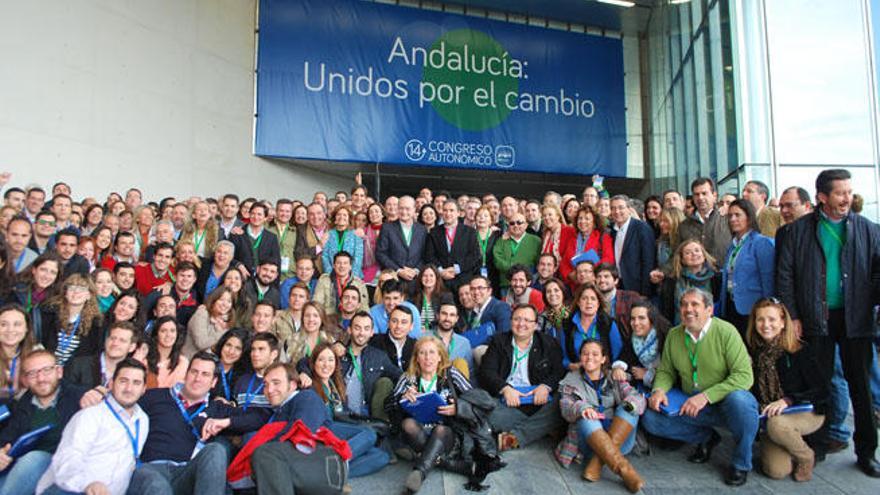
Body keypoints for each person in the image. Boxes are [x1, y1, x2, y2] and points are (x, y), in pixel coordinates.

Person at [776, 169, 880, 476]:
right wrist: (792, 316)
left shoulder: (868, 230)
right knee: (819, 386)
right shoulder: (798, 232)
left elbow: (878, 271)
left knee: (859, 386)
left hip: (856, 319)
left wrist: (873, 300)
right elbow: (785, 276)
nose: (847, 198)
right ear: (822, 197)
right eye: (839, 193)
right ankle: (818, 445)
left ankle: (866, 452)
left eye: (849, 191)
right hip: (814, 319)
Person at [642, 288, 758, 486]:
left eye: (695, 304)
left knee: (742, 402)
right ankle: (706, 438)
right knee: (650, 418)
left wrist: (706, 396)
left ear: (709, 310)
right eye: (684, 304)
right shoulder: (674, 334)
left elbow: (744, 376)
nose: (688, 309)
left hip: (725, 403)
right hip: (691, 404)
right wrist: (659, 390)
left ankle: (741, 462)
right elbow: (666, 371)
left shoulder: (726, 331)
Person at [36, 358, 149, 495]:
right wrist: (87, 484)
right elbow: (67, 460)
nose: (129, 388)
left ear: (144, 389)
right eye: (123, 381)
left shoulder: (142, 420)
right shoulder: (90, 415)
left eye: (136, 383)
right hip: (71, 489)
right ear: (111, 384)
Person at [230, 362, 347, 495]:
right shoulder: (279, 410)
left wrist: (261, 450)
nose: (269, 390)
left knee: (264, 454)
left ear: (292, 385)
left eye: (276, 383)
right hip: (297, 468)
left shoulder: (306, 397)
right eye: (266, 385)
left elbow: (302, 432)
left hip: (323, 467)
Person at [745, 298, 827, 481]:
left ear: (782, 323)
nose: (766, 325)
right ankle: (788, 442)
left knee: (777, 425)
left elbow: (822, 391)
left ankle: (806, 456)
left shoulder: (799, 350)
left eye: (772, 319)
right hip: (770, 415)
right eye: (760, 319)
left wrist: (788, 399)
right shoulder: (754, 351)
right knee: (776, 471)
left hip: (806, 411)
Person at [127, 352, 229, 495]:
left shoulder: (216, 408)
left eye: (205, 374)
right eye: (194, 372)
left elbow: (257, 416)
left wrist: (226, 421)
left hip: (184, 473)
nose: (197, 378)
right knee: (157, 485)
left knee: (216, 450)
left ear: (213, 382)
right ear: (186, 374)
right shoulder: (155, 396)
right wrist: (98, 393)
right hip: (150, 468)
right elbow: (122, 401)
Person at [555, 339, 645, 492]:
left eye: (595, 354)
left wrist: (629, 403)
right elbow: (566, 406)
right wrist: (583, 408)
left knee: (630, 409)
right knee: (587, 418)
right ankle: (624, 470)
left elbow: (637, 397)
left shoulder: (614, 377)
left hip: (619, 440)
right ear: (580, 357)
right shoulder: (571, 379)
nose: (590, 357)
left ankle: (597, 463)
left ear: (603, 359)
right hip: (587, 441)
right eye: (585, 354)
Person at [390, 336, 474, 493]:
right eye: (422, 353)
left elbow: (475, 398)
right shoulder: (408, 378)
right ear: (417, 358)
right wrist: (402, 398)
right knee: (407, 424)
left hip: (447, 433)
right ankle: (443, 461)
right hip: (419, 434)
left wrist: (458, 407)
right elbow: (390, 406)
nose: (428, 358)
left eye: (432, 352)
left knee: (440, 430)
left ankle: (420, 472)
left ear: (440, 356)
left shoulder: (451, 374)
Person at [480, 304, 564, 451]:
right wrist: (505, 388)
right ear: (511, 321)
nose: (521, 324)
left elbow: (559, 372)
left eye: (527, 320)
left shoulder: (548, 343)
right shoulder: (498, 341)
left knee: (562, 403)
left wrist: (545, 387)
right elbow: (487, 372)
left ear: (535, 325)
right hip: (508, 401)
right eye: (517, 319)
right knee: (488, 416)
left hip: (538, 400)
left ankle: (512, 439)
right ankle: (541, 428)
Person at [0, 351, 85, 495]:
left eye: (46, 370)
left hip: (62, 468)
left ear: (59, 371)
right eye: (32, 374)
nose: (41, 378)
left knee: (34, 458)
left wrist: (100, 392)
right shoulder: (22, 405)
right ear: (25, 380)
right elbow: (7, 438)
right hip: (24, 471)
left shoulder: (79, 397)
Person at [309, 343, 390, 477]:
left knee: (381, 456)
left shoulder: (334, 385)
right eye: (321, 360)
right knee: (369, 434)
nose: (326, 364)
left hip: (339, 429)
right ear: (313, 363)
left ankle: (333, 473)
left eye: (330, 360)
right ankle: (336, 462)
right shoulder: (311, 386)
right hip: (324, 430)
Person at [720, 199, 775, 335]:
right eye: (730, 216)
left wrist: (767, 309)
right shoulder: (733, 245)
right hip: (731, 305)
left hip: (753, 308)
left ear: (749, 218)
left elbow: (768, 279)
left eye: (738, 215)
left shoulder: (761, 243)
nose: (733, 219)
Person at [40, 274, 104, 367]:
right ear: (65, 293)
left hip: (74, 373)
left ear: (89, 295)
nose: (76, 292)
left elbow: (91, 354)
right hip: (47, 367)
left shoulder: (96, 323)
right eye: (72, 288)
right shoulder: (49, 313)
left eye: (82, 289)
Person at [657, 239, 720, 325]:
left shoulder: (716, 278)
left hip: (710, 329)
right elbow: (666, 311)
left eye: (697, 250)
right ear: (682, 259)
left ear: (704, 255)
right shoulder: (672, 281)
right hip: (680, 328)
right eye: (688, 252)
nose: (694, 254)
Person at [560, 284, 623, 369]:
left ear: (598, 303)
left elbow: (617, 354)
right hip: (577, 372)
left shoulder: (608, 323)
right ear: (578, 302)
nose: (589, 302)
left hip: (604, 371)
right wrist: (571, 366)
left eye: (593, 299)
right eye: (584, 298)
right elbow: (564, 357)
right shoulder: (567, 325)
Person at [424, 200, 480, 293]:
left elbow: (474, 255)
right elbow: (429, 255)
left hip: (463, 281)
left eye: (451, 210)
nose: (448, 213)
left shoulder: (469, 232)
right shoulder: (434, 232)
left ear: (458, 213)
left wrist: (457, 269)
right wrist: (440, 271)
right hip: (441, 281)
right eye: (445, 210)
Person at [65, 321, 138, 391]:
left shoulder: (131, 373)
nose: (115, 343)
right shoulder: (78, 364)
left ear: (132, 347)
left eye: (122, 341)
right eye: (112, 338)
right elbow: (65, 393)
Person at [678, 177, 732, 265]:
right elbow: (678, 254)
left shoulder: (727, 219)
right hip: (695, 277)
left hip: (722, 275)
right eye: (696, 194)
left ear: (714, 196)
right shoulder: (684, 226)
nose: (700, 197)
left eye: (704, 193)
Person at [609, 195, 655, 296]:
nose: (617, 211)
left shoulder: (642, 228)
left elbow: (648, 261)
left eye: (621, 207)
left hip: (636, 286)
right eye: (613, 208)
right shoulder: (611, 230)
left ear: (629, 209)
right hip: (617, 284)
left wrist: (645, 293)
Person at [376, 196, 427, 287]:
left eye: (407, 209)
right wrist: (398, 270)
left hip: (415, 281)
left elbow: (425, 254)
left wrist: (416, 270)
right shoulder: (387, 227)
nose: (404, 212)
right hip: (393, 280)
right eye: (401, 208)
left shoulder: (422, 229)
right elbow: (380, 253)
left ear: (414, 209)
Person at [615, 301, 667, 388]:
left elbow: (672, 373)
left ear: (651, 319)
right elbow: (624, 357)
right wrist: (618, 368)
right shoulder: (634, 338)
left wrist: (647, 375)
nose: (636, 323)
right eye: (633, 318)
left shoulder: (665, 337)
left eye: (641, 318)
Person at [492, 212, 541, 292]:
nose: (515, 225)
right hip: (506, 284)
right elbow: (497, 260)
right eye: (512, 223)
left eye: (519, 223)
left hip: (528, 285)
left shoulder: (536, 241)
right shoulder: (501, 240)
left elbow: (539, 262)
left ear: (526, 225)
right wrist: (513, 270)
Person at [0, 304, 38, 405]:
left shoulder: (36, 352)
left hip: (24, 409)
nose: (10, 330)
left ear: (26, 328)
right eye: (3, 324)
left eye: (17, 324)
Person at [182, 286, 235, 358]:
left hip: (210, 363)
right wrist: (223, 332)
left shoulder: (225, 321)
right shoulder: (202, 313)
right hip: (190, 362)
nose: (225, 304)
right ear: (214, 300)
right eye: (222, 299)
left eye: (229, 301)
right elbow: (201, 343)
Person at [594, 263, 644, 337]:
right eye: (599, 277)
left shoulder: (631, 297)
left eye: (606, 276)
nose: (602, 280)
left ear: (616, 280)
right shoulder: (592, 300)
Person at [230, 202, 280, 276]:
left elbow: (276, 262)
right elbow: (229, 257)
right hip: (240, 277)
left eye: (259, 214)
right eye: (253, 213)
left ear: (265, 218)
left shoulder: (271, 238)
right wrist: (238, 265)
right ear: (249, 215)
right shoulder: (237, 234)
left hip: (263, 279)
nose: (255, 217)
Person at [313, 251, 369, 317]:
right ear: (334, 265)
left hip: (352, 320)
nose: (342, 266)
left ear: (350, 266)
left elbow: (364, 308)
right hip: (328, 319)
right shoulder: (324, 280)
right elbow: (317, 304)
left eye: (345, 263)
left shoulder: (359, 284)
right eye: (339, 263)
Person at [431, 296, 474, 378]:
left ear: (456, 319)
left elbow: (471, 373)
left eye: (452, 315)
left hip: (456, 387)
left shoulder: (464, 343)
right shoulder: (424, 338)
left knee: (460, 363)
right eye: (444, 314)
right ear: (437, 316)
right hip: (430, 384)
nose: (447, 318)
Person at [144, 316, 189, 389]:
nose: (168, 335)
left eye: (172, 331)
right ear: (156, 334)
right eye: (163, 331)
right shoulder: (143, 359)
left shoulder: (183, 362)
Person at [321, 206, 364, 279]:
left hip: (352, 276)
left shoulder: (355, 234)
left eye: (345, 215)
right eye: (338, 214)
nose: (341, 217)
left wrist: (351, 276)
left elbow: (358, 257)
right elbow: (324, 256)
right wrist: (331, 274)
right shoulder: (328, 234)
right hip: (332, 276)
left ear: (349, 218)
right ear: (335, 218)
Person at [210, 328, 250, 403]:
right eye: (228, 345)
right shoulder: (207, 365)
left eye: (238, 348)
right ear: (222, 345)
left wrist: (231, 405)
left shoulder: (243, 374)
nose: (231, 351)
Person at [540, 204, 576, 283]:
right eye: (544, 216)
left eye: (550, 215)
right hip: (548, 278)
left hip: (565, 278)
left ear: (558, 216)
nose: (547, 218)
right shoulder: (545, 234)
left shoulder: (569, 231)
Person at [265, 198, 297, 280]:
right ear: (276, 212)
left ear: (291, 213)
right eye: (281, 211)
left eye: (287, 211)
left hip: (289, 274)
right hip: (268, 273)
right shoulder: (266, 228)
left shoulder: (296, 231)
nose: (284, 214)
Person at [473, 206, 501, 290]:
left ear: (491, 220)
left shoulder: (498, 235)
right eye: (479, 215)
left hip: (493, 276)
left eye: (485, 216)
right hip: (474, 275)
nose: (482, 218)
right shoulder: (469, 235)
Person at [536, 278, 569, 343]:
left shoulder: (572, 315)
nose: (552, 294)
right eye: (548, 291)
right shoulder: (541, 318)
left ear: (563, 292)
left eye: (556, 290)